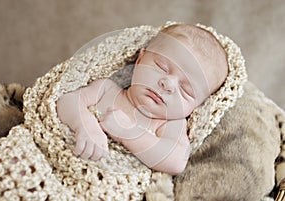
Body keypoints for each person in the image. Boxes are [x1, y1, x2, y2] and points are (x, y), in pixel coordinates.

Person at [56, 24, 228, 175]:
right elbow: (67, 100)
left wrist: (129, 133)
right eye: (161, 67)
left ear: (197, 106)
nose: (167, 84)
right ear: (139, 60)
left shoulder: (170, 124)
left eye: (186, 90)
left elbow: (176, 161)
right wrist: (85, 125)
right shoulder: (106, 89)